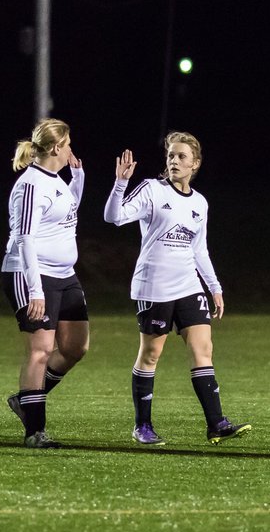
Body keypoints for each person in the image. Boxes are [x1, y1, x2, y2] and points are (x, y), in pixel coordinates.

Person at [105, 132, 252, 446]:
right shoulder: (152, 190)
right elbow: (114, 217)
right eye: (171, 155)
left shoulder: (200, 202)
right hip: (154, 286)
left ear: (195, 163)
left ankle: (216, 423)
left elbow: (200, 250)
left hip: (189, 285)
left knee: (203, 349)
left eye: (181, 156)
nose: (174, 161)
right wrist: (121, 183)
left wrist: (214, 287)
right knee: (151, 354)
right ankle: (142, 425)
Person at [1, 118, 88, 449]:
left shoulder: (56, 180)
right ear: (55, 147)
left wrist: (77, 179)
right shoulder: (31, 185)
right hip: (31, 274)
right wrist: (35, 290)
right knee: (40, 351)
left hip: (65, 275)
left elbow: (66, 214)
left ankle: (26, 400)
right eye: (67, 144)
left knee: (75, 347)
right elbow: (25, 238)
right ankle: (35, 430)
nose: (70, 150)